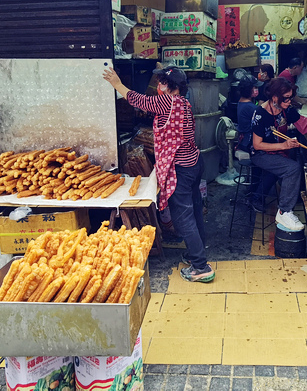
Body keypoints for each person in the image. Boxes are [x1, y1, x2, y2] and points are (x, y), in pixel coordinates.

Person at [103, 65, 214, 283]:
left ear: (169, 86)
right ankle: (196, 254)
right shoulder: (184, 102)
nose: (158, 86)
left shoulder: (166, 102)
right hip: (193, 163)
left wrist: (117, 84)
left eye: (162, 83)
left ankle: (201, 267)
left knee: (183, 218)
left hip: (180, 169)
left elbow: (139, 101)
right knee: (195, 212)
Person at [250, 77, 307, 232]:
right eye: (286, 98)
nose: (289, 101)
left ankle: (287, 204)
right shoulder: (260, 113)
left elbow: (305, 125)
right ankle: (284, 211)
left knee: (293, 166)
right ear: (275, 97)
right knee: (292, 168)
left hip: (279, 152)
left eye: (290, 98)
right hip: (261, 154)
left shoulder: (286, 110)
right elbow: (257, 145)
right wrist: (284, 145)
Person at [235, 75, 262, 156]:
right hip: (248, 143)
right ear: (248, 90)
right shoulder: (250, 107)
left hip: (243, 141)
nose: (257, 89)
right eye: (255, 87)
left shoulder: (241, 102)